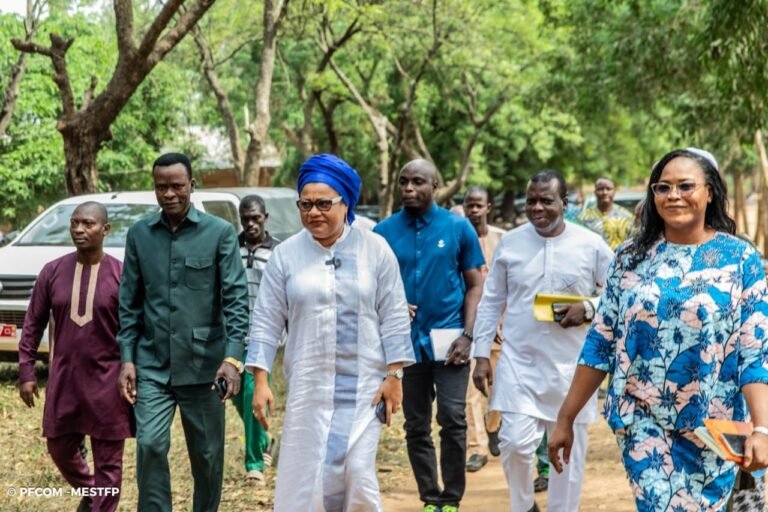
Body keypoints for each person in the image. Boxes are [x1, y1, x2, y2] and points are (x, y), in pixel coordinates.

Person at [549, 148, 768, 511]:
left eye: (685, 186)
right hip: (642, 420)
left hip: (715, 427)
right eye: (662, 187)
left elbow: (754, 350)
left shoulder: (741, 259)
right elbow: (600, 341)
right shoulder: (630, 256)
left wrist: (762, 428)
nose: (673, 195)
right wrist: (565, 418)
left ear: (709, 191)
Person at [247, 153, 414, 511]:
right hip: (308, 388)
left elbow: (395, 315)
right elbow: (265, 319)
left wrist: (395, 375)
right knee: (306, 476)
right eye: (305, 204)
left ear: (346, 202)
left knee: (357, 472)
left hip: (365, 388)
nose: (313, 213)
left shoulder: (375, 249)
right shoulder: (286, 256)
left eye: (324, 203)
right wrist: (260, 381)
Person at [472, 170, 613, 512]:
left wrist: (588, 308)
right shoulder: (511, 242)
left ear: (564, 203)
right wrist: (480, 354)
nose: (537, 207)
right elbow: (492, 301)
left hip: (573, 368)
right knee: (514, 444)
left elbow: (618, 294)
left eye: (546, 201)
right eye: (531, 200)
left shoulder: (590, 244)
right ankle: (524, 507)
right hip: (520, 363)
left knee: (568, 457)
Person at [117, 153, 249, 512]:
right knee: (150, 446)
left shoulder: (219, 233)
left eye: (177, 186)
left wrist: (233, 359)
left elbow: (236, 299)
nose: (169, 194)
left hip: (205, 368)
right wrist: (127, 359)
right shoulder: (140, 235)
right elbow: (129, 303)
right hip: (153, 365)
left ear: (192, 185)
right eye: (162, 187)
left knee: (207, 457)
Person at [374, 159, 485, 512]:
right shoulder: (382, 233)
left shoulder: (458, 228)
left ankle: (451, 498)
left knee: (453, 418)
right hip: (405, 346)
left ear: (435, 186)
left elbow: (475, 286)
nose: (408, 188)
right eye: (403, 181)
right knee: (416, 424)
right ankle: (429, 497)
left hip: (451, 344)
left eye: (417, 182)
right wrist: (390, 305)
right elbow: (371, 288)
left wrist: (468, 335)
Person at [18, 201, 133, 512]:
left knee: (109, 461)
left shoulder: (121, 274)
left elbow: (135, 330)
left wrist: (133, 370)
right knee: (59, 445)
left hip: (109, 382)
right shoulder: (52, 272)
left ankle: (100, 505)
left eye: (88, 224)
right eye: (74, 224)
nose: (79, 230)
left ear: (105, 229)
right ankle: (95, 494)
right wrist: (27, 372)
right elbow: (32, 325)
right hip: (65, 378)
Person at [234, 194, 279, 484]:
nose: (250, 223)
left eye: (256, 217)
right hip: (233, 333)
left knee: (252, 395)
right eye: (245, 218)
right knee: (236, 395)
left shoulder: (277, 251)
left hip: (262, 334)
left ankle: (254, 464)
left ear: (265, 217)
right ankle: (265, 441)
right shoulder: (230, 248)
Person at [460, 186, 506, 473]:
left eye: (479, 205)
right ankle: (476, 448)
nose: (474, 210)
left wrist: (503, 321)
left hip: (501, 330)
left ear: (488, 207)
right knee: (469, 394)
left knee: (499, 388)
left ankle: (494, 427)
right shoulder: (458, 238)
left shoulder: (503, 240)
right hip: (468, 329)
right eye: (470, 205)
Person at [578, 177, 634, 250]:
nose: (605, 192)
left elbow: (633, 241)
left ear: (614, 191)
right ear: (595, 192)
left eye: (608, 189)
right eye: (600, 189)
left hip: (620, 259)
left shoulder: (627, 216)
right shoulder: (584, 217)